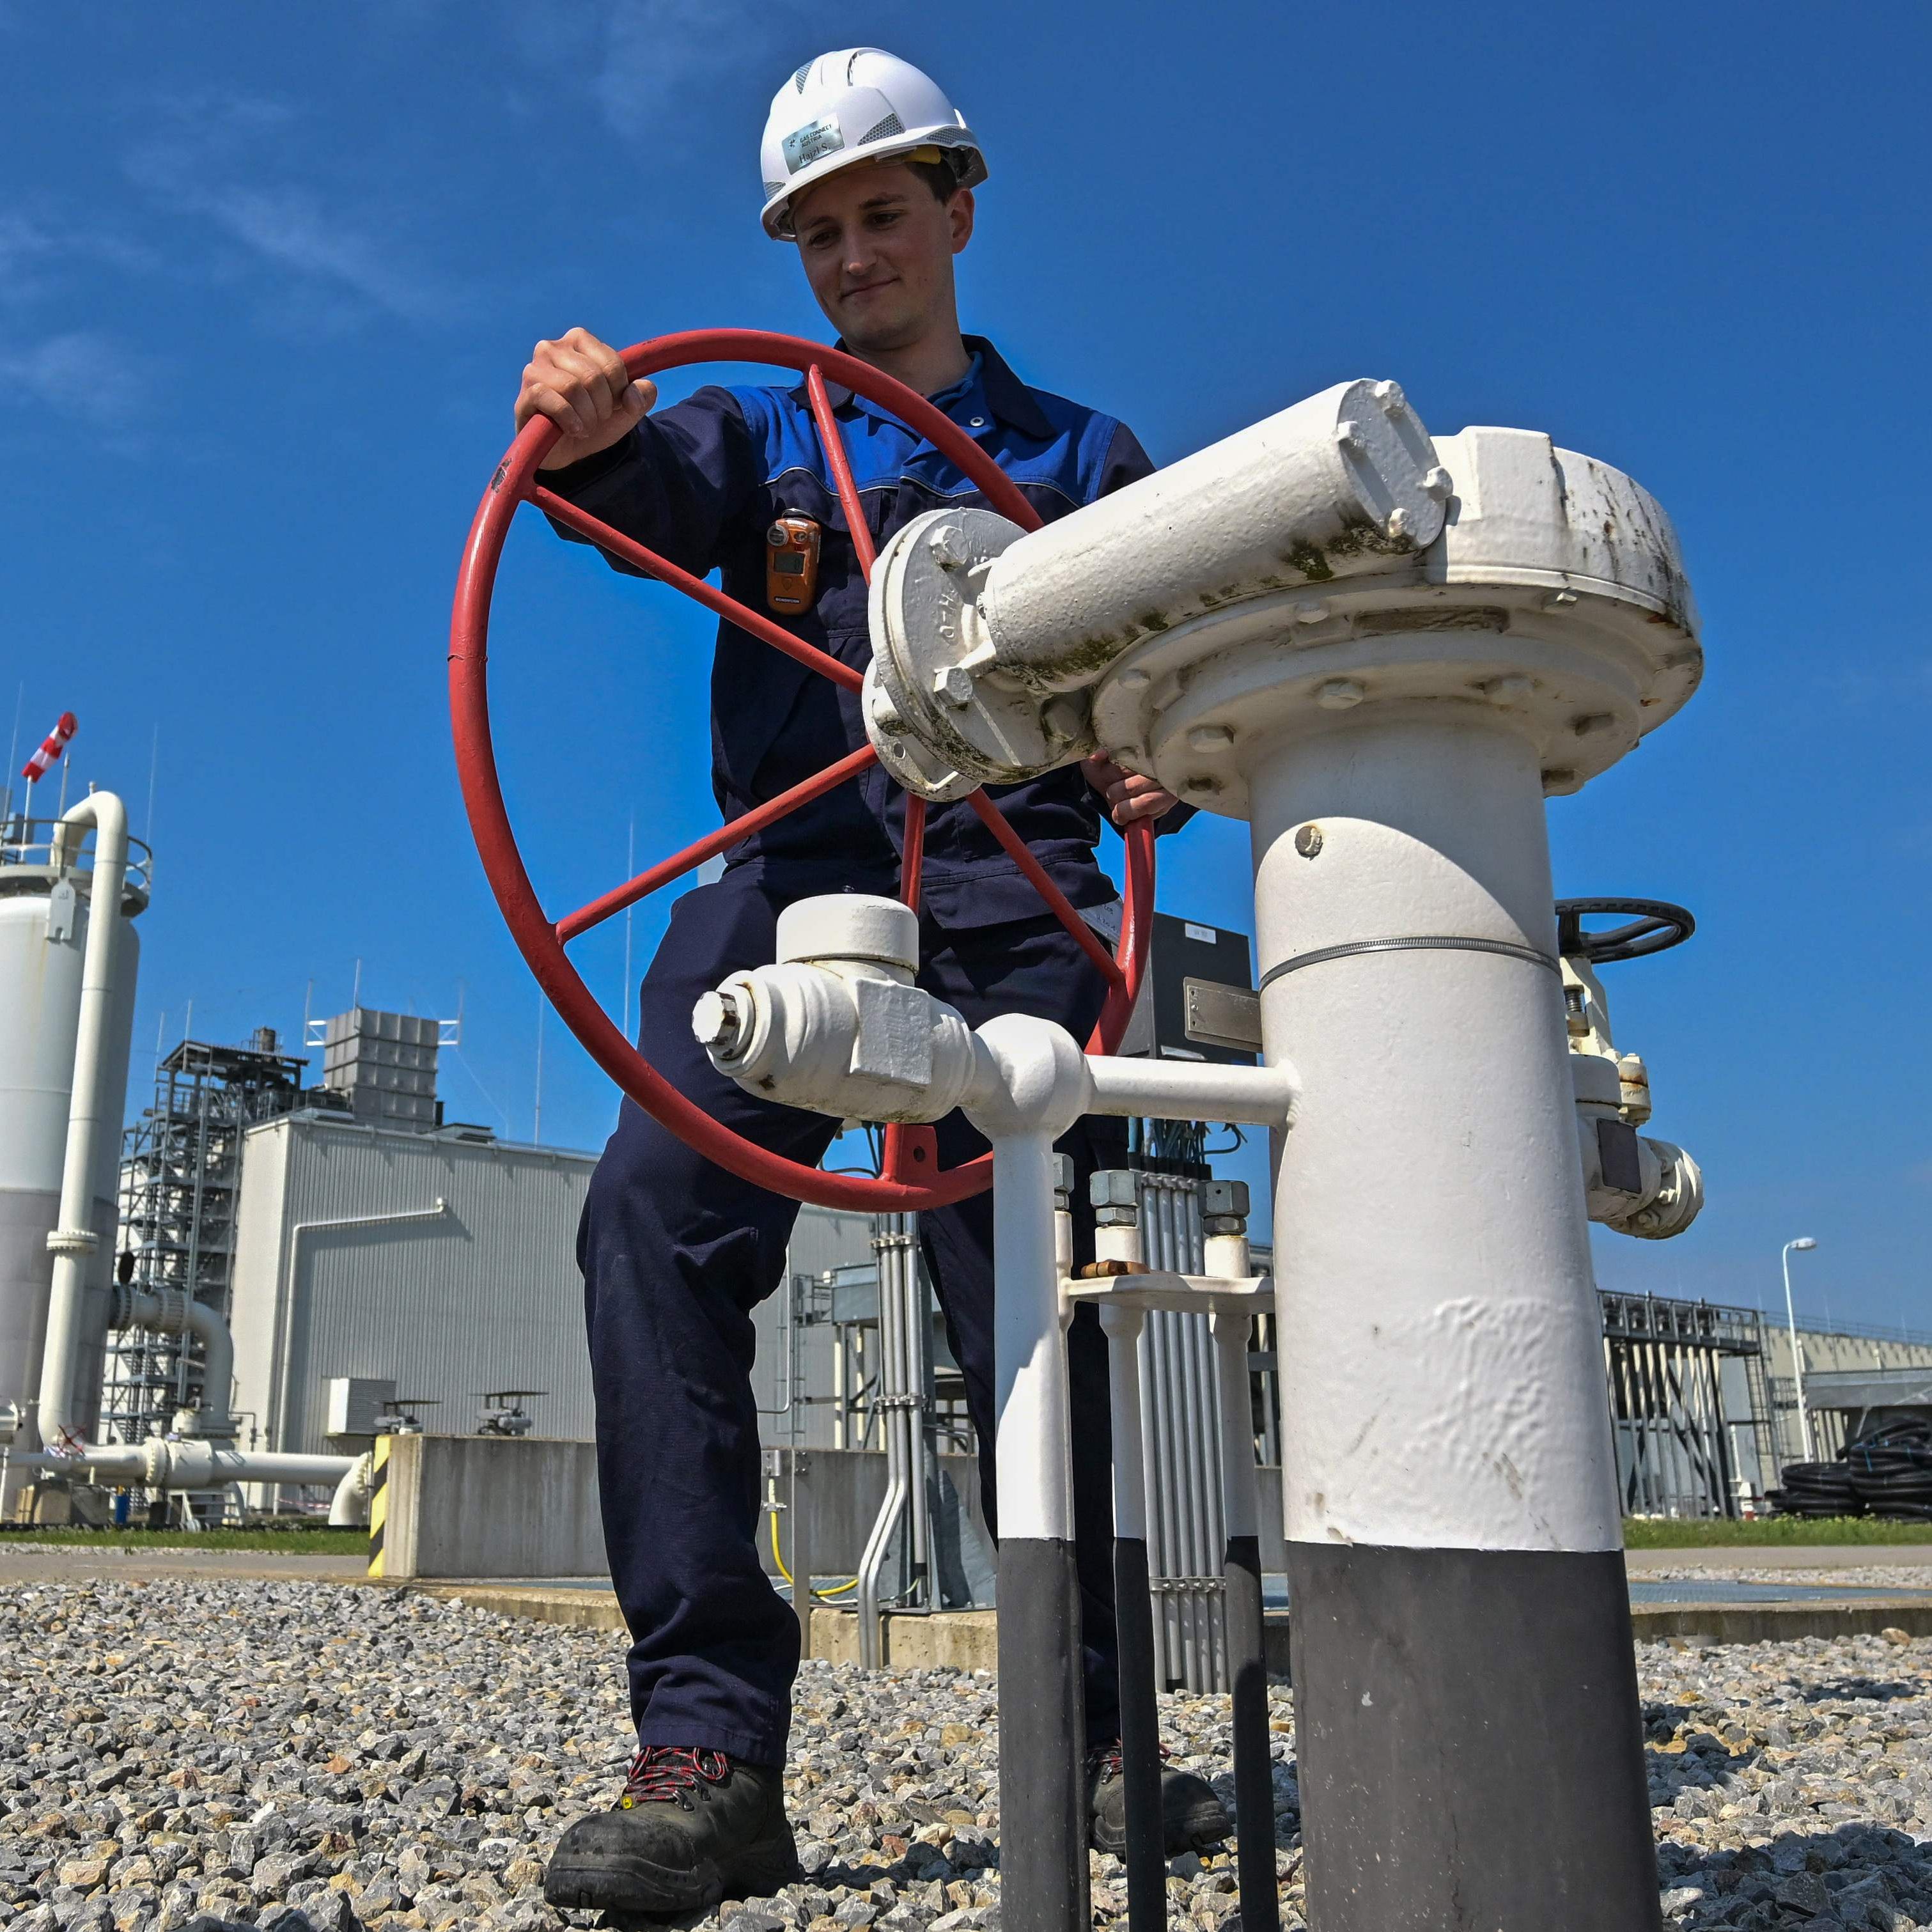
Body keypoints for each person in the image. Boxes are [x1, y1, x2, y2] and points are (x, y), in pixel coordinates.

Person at [520, 49, 1227, 1917]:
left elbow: (1154, 701)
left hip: (1017, 898)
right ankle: (709, 1748)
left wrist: (1163, 757)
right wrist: (590, 424)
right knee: (651, 1219)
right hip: (793, 882)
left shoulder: (1081, 466)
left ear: (960, 213)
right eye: (820, 232)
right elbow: (628, 488)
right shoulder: (757, 439)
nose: (854, 257)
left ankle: (1090, 1737)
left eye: (885, 213)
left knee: (1024, 1286)